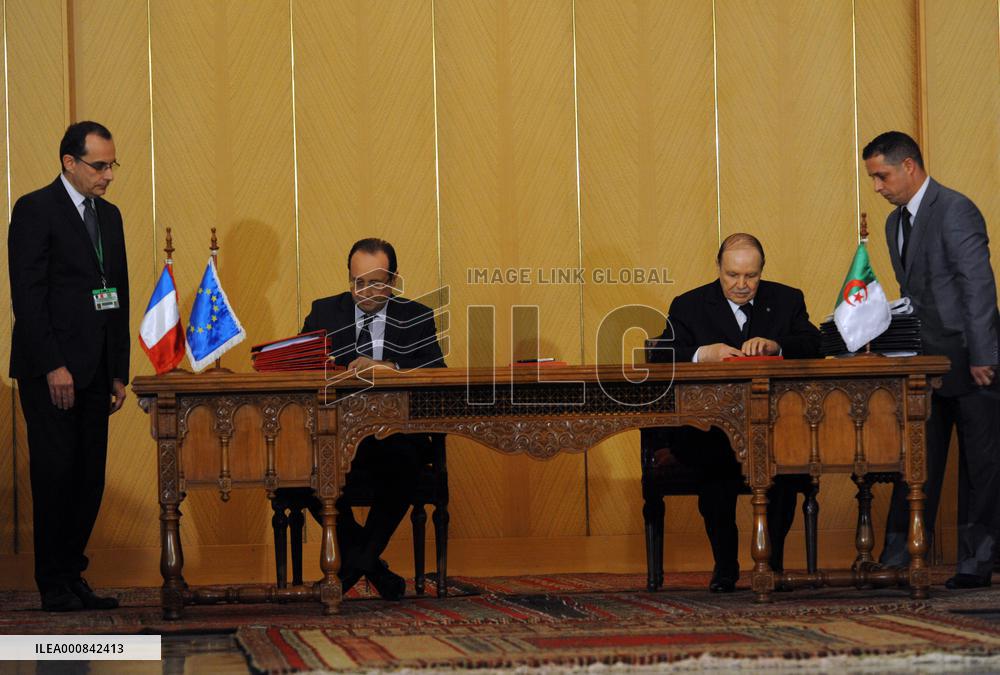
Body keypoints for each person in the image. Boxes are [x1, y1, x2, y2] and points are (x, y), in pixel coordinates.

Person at [863, 131, 1000, 588]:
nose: (877, 187)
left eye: (882, 176)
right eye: (873, 178)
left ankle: (976, 564)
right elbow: (913, 296)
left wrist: (983, 355)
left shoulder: (955, 209)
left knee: (981, 466)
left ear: (909, 166)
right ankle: (899, 558)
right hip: (923, 362)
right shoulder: (893, 223)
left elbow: (977, 286)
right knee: (917, 463)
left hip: (971, 358)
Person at [649, 233, 821, 592]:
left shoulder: (787, 299)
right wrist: (702, 354)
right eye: (732, 275)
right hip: (710, 429)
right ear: (719, 268)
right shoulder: (689, 305)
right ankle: (725, 566)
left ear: (761, 271)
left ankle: (771, 565)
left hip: (775, 427)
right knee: (714, 467)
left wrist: (777, 346)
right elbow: (660, 355)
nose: (742, 284)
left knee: (785, 467)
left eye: (751, 276)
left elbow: (815, 343)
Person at [8, 121, 129, 611]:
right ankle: (52, 583)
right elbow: (28, 297)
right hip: (52, 373)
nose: (108, 175)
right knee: (55, 475)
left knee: (88, 478)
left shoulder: (111, 216)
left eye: (112, 165)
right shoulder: (35, 209)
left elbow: (118, 294)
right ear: (69, 162)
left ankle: (72, 573)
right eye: (99, 166)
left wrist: (118, 369)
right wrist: (53, 365)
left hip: (98, 370)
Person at [286, 237, 445, 600]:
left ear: (393, 281)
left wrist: (390, 368)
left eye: (375, 283)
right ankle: (370, 566)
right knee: (300, 467)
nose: (365, 292)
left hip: (394, 436)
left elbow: (437, 373)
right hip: (335, 433)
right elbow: (298, 368)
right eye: (358, 282)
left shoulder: (416, 316)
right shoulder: (324, 313)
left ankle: (351, 569)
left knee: (404, 461)